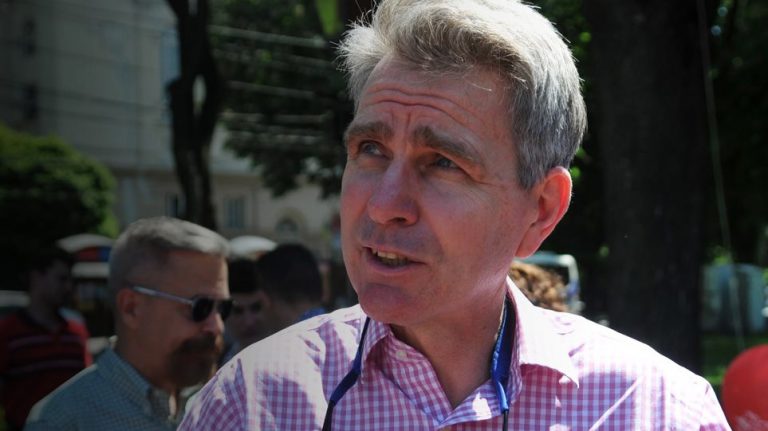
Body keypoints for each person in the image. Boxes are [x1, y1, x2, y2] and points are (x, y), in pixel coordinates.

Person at [180, 0, 730, 429]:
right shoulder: (251, 404)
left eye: (442, 163)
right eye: (371, 149)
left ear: (540, 211)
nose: (384, 205)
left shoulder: (654, 409)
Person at [25, 217, 231, 430]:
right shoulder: (62, 421)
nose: (217, 326)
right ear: (131, 308)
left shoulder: (217, 401)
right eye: (200, 307)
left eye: (223, 308)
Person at [0, 246, 91, 431]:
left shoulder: (77, 332)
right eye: (61, 279)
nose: (69, 287)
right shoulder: (7, 332)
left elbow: (87, 385)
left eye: (70, 280)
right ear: (36, 277)